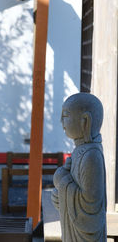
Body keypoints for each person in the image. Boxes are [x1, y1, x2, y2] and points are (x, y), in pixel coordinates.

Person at [52, 93, 106, 242]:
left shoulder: (91, 156)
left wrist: (62, 179)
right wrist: (61, 196)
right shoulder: (81, 151)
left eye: (66, 115)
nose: (61, 121)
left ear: (85, 121)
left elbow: (90, 205)